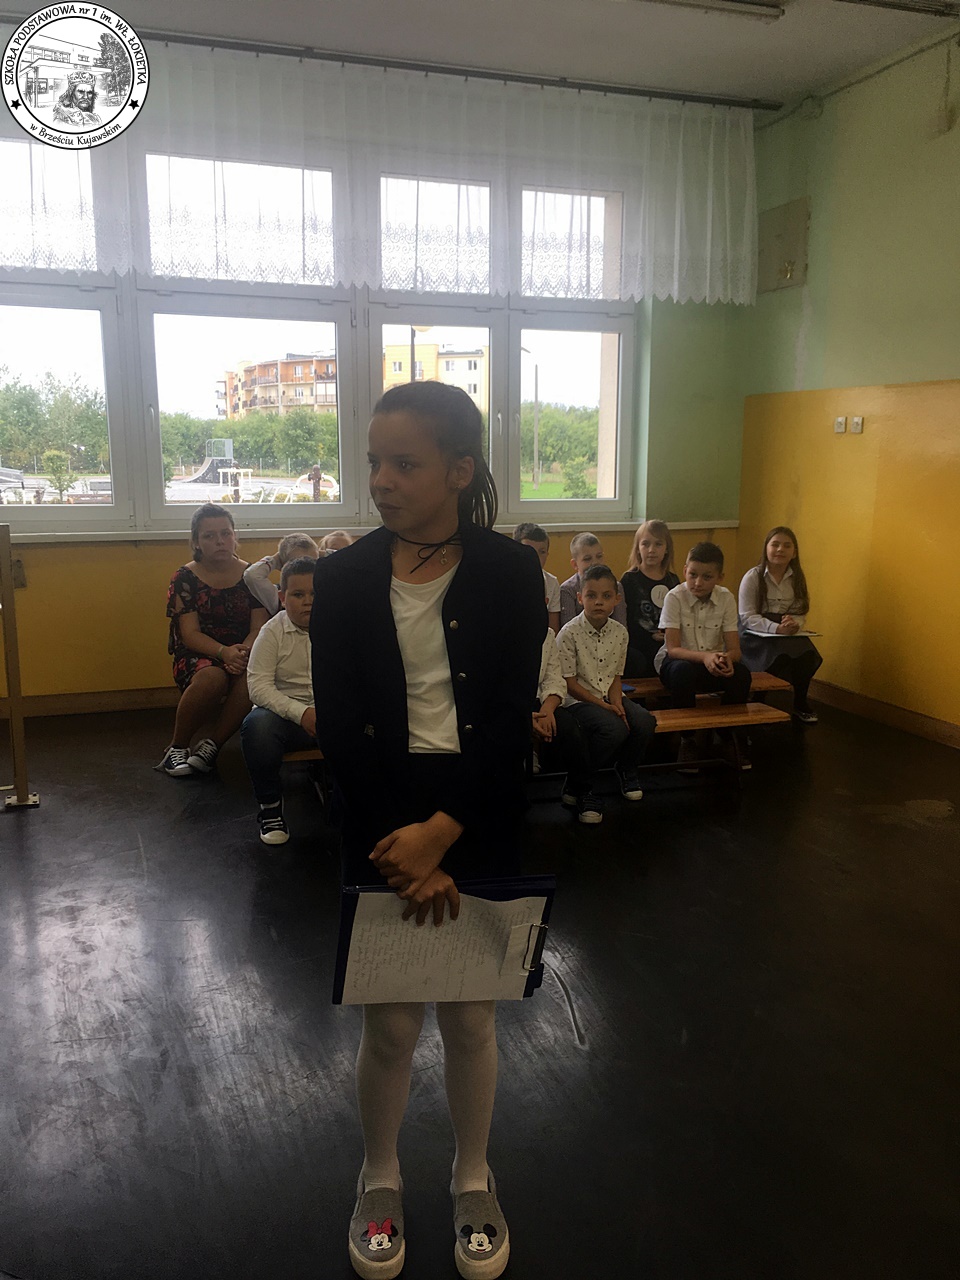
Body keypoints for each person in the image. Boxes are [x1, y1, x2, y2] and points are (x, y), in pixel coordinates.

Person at [310, 381, 545, 1280]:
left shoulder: (512, 573)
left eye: (404, 463)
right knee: (392, 1025)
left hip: (478, 809)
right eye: (375, 461)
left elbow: (509, 715)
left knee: (473, 1019)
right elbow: (341, 726)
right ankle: (380, 1176)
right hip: (381, 815)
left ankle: (473, 1177)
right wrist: (402, 844)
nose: (381, 480)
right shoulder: (341, 578)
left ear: (459, 469)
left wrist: (445, 832)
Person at [157, 504, 268, 777]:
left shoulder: (251, 575)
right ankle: (177, 747)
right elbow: (190, 634)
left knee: (253, 678)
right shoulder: (184, 578)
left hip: (242, 652)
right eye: (209, 535)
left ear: (234, 536)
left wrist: (240, 653)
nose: (220, 541)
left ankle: (212, 747)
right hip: (198, 653)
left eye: (225, 533)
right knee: (212, 678)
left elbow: (259, 627)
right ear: (196, 542)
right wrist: (223, 653)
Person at [556, 564, 656, 823]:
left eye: (606, 596)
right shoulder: (568, 633)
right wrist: (606, 708)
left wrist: (617, 705)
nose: (598, 602)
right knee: (614, 729)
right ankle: (582, 785)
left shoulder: (620, 632)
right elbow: (569, 684)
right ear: (580, 598)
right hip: (577, 699)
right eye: (591, 595)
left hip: (608, 695)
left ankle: (625, 769)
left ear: (617, 599)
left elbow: (615, 677)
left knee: (644, 721)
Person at [241, 556, 319, 845]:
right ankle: (271, 808)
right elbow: (257, 687)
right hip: (287, 719)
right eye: (298, 594)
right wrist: (301, 713)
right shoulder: (271, 632)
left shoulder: (341, 627)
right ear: (283, 598)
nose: (308, 601)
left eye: (315, 593)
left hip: (331, 715)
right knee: (257, 728)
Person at [655, 541, 751, 766]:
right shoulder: (674, 597)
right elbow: (673, 649)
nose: (698, 582)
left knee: (742, 675)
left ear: (720, 577)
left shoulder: (726, 598)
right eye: (693, 574)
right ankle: (687, 739)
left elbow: (735, 650)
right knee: (682, 672)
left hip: (711, 662)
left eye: (707, 577)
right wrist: (706, 658)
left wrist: (727, 659)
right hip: (677, 662)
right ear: (685, 571)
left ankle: (726, 735)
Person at [738, 526, 822, 724]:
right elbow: (747, 616)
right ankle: (758, 700)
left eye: (786, 546)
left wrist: (794, 624)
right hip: (756, 631)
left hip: (786, 631)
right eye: (775, 544)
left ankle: (800, 703)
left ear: (794, 552)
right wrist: (775, 628)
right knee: (777, 656)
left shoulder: (797, 578)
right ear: (766, 549)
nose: (780, 550)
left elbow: (800, 610)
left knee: (808, 655)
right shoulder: (753, 577)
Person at [531, 626, 590, 795]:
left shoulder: (546, 634)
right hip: (506, 704)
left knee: (570, 727)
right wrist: (521, 715)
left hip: (540, 699)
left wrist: (547, 710)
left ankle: (579, 790)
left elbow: (554, 678)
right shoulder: (496, 632)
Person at [620, 519, 680, 677]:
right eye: (645, 544)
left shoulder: (673, 581)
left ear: (667, 549)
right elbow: (626, 619)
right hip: (639, 644)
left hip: (668, 643)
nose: (651, 550)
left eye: (658, 544)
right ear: (638, 549)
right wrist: (650, 636)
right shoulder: (629, 580)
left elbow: (679, 616)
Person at [559, 531, 627, 629]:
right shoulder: (568, 590)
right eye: (587, 559)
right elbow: (568, 628)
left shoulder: (616, 587)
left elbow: (621, 625)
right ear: (575, 564)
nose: (595, 562)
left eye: (599, 556)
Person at [243, 532, 319, 616]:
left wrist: (321, 554)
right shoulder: (277, 596)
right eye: (298, 595)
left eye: (313, 563)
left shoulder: (324, 586)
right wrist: (275, 559)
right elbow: (251, 575)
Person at [513, 523, 561, 633]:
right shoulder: (506, 580)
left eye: (542, 552)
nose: (536, 558)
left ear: (547, 554)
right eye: (529, 551)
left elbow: (553, 629)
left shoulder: (552, 583)